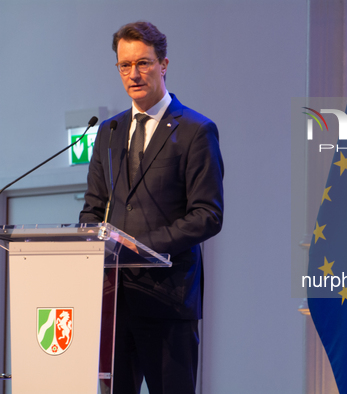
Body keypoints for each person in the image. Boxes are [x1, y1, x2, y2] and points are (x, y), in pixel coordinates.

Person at [79, 21, 224, 394]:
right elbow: (93, 209)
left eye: (143, 63)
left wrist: (140, 245)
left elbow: (208, 214)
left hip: (169, 301)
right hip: (116, 303)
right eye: (124, 66)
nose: (133, 74)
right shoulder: (108, 132)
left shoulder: (195, 130)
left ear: (164, 64)